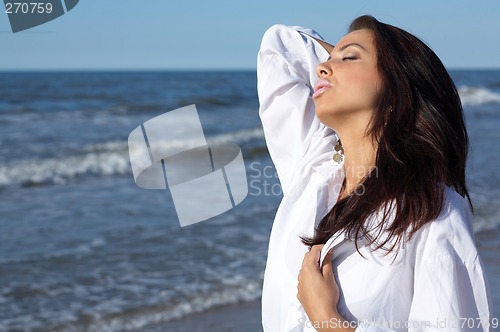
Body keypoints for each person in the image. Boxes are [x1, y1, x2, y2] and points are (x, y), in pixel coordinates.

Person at [257, 15, 492, 332]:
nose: (321, 68)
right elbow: (280, 44)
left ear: (398, 89)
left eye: (349, 57)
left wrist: (328, 321)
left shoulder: (434, 211)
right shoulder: (314, 168)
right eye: (326, 60)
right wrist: (346, 54)